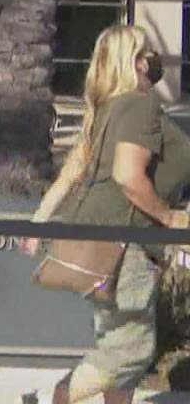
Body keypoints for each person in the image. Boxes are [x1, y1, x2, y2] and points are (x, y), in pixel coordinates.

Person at [20, 26, 190, 404]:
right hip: (123, 243)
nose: (153, 60)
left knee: (114, 341)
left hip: (96, 239)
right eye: (146, 52)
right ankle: (60, 398)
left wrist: (39, 219)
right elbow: (128, 176)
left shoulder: (107, 109)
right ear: (134, 62)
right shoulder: (138, 104)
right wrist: (170, 218)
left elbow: (75, 168)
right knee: (132, 349)